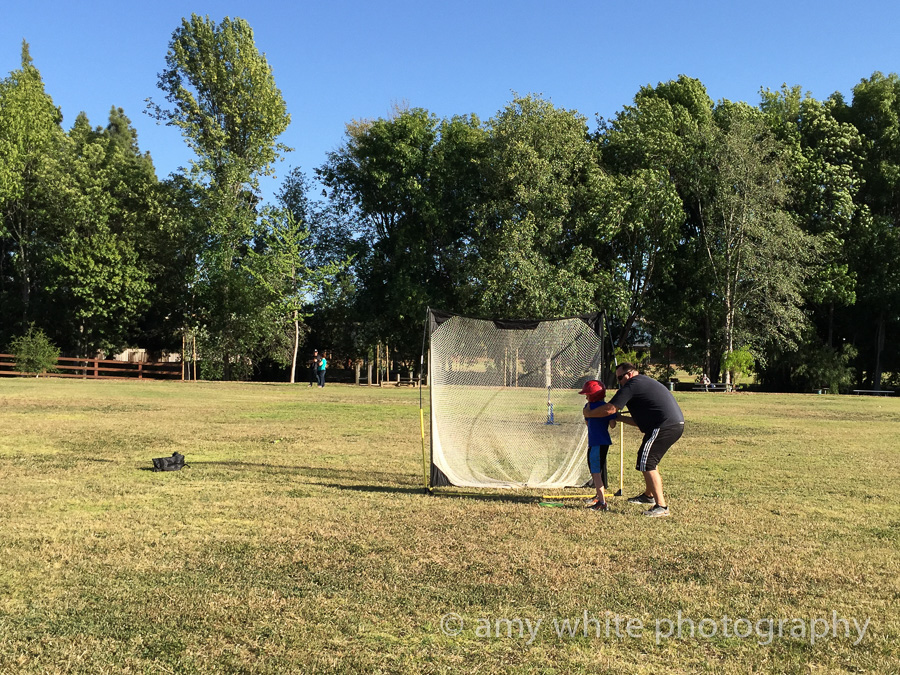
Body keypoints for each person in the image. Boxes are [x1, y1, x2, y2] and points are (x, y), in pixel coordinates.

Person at [584, 363, 684, 518]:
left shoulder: (633, 384)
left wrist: (589, 414)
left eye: (620, 378)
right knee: (647, 459)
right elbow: (638, 422)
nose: (619, 382)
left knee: (647, 462)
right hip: (669, 424)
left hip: (665, 425)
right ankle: (648, 496)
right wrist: (620, 418)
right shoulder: (643, 384)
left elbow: (610, 409)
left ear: (629, 374)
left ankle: (662, 506)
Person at [578, 380, 617, 512]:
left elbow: (587, 423)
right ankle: (598, 496)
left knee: (595, 472)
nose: (586, 397)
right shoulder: (607, 407)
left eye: (588, 395)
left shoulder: (588, 407)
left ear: (593, 396)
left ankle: (602, 503)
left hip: (596, 444)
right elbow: (612, 425)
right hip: (604, 443)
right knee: (597, 471)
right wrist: (613, 416)